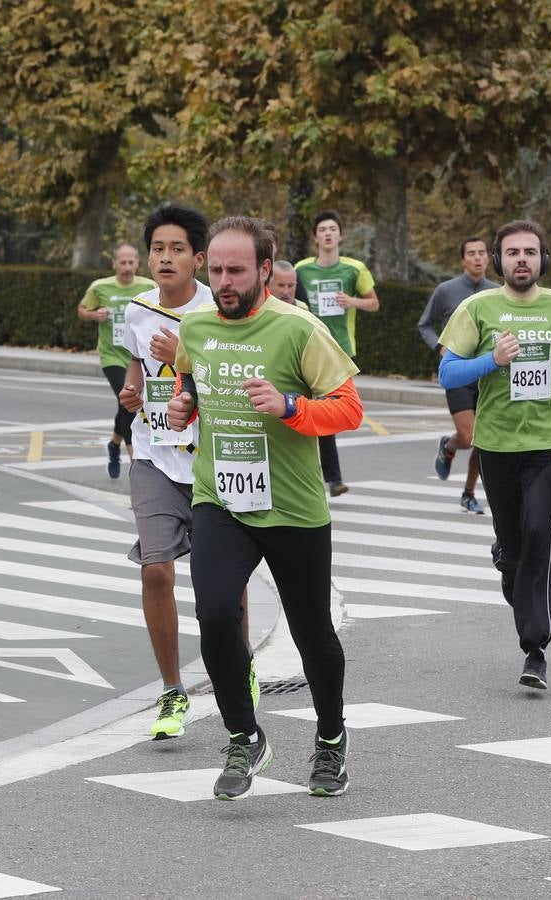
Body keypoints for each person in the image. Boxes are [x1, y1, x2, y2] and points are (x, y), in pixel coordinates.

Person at [169, 215, 363, 800]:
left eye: (237, 270)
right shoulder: (195, 327)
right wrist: (184, 411)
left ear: (264, 267)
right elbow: (189, 386)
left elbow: (349, 410)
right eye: (217, 269)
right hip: (221, 498)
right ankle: (243, 734)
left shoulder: (297, 329)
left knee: (313, 635)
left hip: (293, 505)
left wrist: (289, 407)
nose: (225, 280)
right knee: (214, 614)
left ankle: (331, 739)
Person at [437, 219, 551, 692]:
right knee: (515, 543)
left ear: (542, 258)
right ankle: (506, 556)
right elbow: (447, 372)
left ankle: (535, 645)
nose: (521, 259)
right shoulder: (477, 307)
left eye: (529, 251)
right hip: (498, 446)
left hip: (550, 444)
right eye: (512, 252)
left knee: (541, 531)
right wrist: (494, 362)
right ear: (500, 261)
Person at [112, 203, 215, 740]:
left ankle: (235, 664)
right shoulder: (136, 308)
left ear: (198, 258)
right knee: (156, 568)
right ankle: (173, 690)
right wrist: (131, 393)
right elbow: (136, 367)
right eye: (158, 248)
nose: (166, 258)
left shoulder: (216, 310)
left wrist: (185, 354)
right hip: (153, 453)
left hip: (210, 457)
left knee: (220, 581)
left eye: (177, 249)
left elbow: (223, 379)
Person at [294, 210, 378, 497]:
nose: (328, 234)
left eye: (332, 229)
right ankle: (327, 478)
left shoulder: (354, 268)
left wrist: (351, 300)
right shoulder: (301, 269)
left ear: (340, 236)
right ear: (315, 237)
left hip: (340, 350)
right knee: (307, 411)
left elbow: (374, 303)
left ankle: (331, 478)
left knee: (326, 412)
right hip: (306, 347)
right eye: (322, 229)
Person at [418, 236, 499, 514]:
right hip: (458, 373)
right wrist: (439, 347)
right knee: (469, 437)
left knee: (484, 439)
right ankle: (450, 444)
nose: (478, 258)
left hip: (489, 374)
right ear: (463, 259)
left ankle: (469, 492)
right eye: (472, 254)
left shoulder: (497, 293)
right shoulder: (446, 290)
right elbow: (425, 324)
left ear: (489, 258)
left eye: (482, 253)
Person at [77, 243, 157, 478]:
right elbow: (81, 310)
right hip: (112, 355)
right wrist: (93, 315)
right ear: (114, 264)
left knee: (125, 401)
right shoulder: (100, 287)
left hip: (138, 356)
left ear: (138, 263)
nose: (127, 267)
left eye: (131, 262)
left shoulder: (148, 286)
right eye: (122, 262)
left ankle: (114, 445)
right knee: (129, 400)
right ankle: (135, 463)